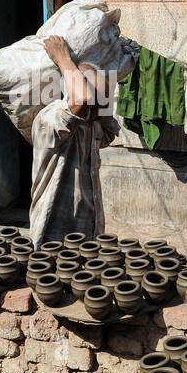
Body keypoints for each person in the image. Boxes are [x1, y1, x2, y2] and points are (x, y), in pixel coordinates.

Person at [28, 35, 119, 245]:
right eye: (97, 97)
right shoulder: (49, 120)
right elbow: (82, 99)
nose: (101, 103)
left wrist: (100, 79)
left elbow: (108, 127)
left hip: (89, 233)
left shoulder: (93, 124)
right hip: (52, 235)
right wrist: (62, 58)